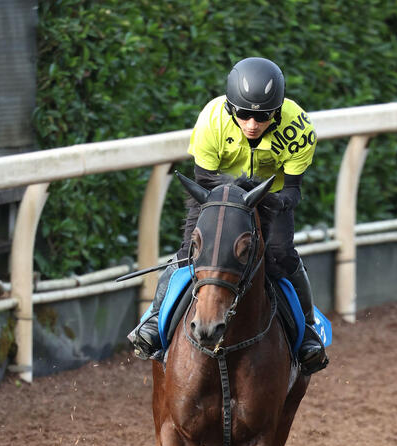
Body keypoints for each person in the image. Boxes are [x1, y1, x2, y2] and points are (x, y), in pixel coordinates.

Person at [129, 57, 328, 375]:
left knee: (281, 256)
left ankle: (307, 336)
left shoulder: (298, 127)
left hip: (268, 200)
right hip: (214, 197)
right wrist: (235, 195)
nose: (252, 123)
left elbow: (293, 190)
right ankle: (154, 321)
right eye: (244, 114)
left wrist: (269, 202)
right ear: (230, 108)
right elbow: (204, 179)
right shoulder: (210, 120)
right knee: (187, 255)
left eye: (262, 116)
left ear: (277, 111)